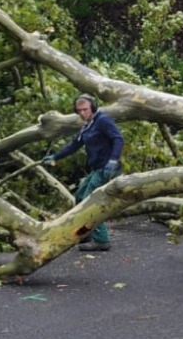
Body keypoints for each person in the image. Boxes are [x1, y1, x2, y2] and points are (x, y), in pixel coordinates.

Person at [42, 94, 124, 251]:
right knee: (80, 197)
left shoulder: (103, 121)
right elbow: (74, 145)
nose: (82, 113)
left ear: (92, 107)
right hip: (96, 169)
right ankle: (86, 234)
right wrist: (55, 157)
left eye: (85, 109)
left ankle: (102, 240)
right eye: (79, 110)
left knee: (90, 201)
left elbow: (118, 139)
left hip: (107, 168)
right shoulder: (87, 126)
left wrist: (113, 161)